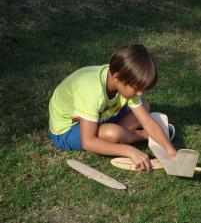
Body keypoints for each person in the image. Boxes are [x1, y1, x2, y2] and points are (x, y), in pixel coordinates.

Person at [49, 44, 177, 171]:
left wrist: (170, 150)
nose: (140, 93)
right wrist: (129, 151)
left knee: (144, 105)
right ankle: (141, 136)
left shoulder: (121, 77)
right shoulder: (90, 90)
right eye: (137, 89)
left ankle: (124, 135)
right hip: (66, 132)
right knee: (114, 133)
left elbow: (146, 121)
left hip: (100, 116)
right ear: (117, 78)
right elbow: (88, 142)